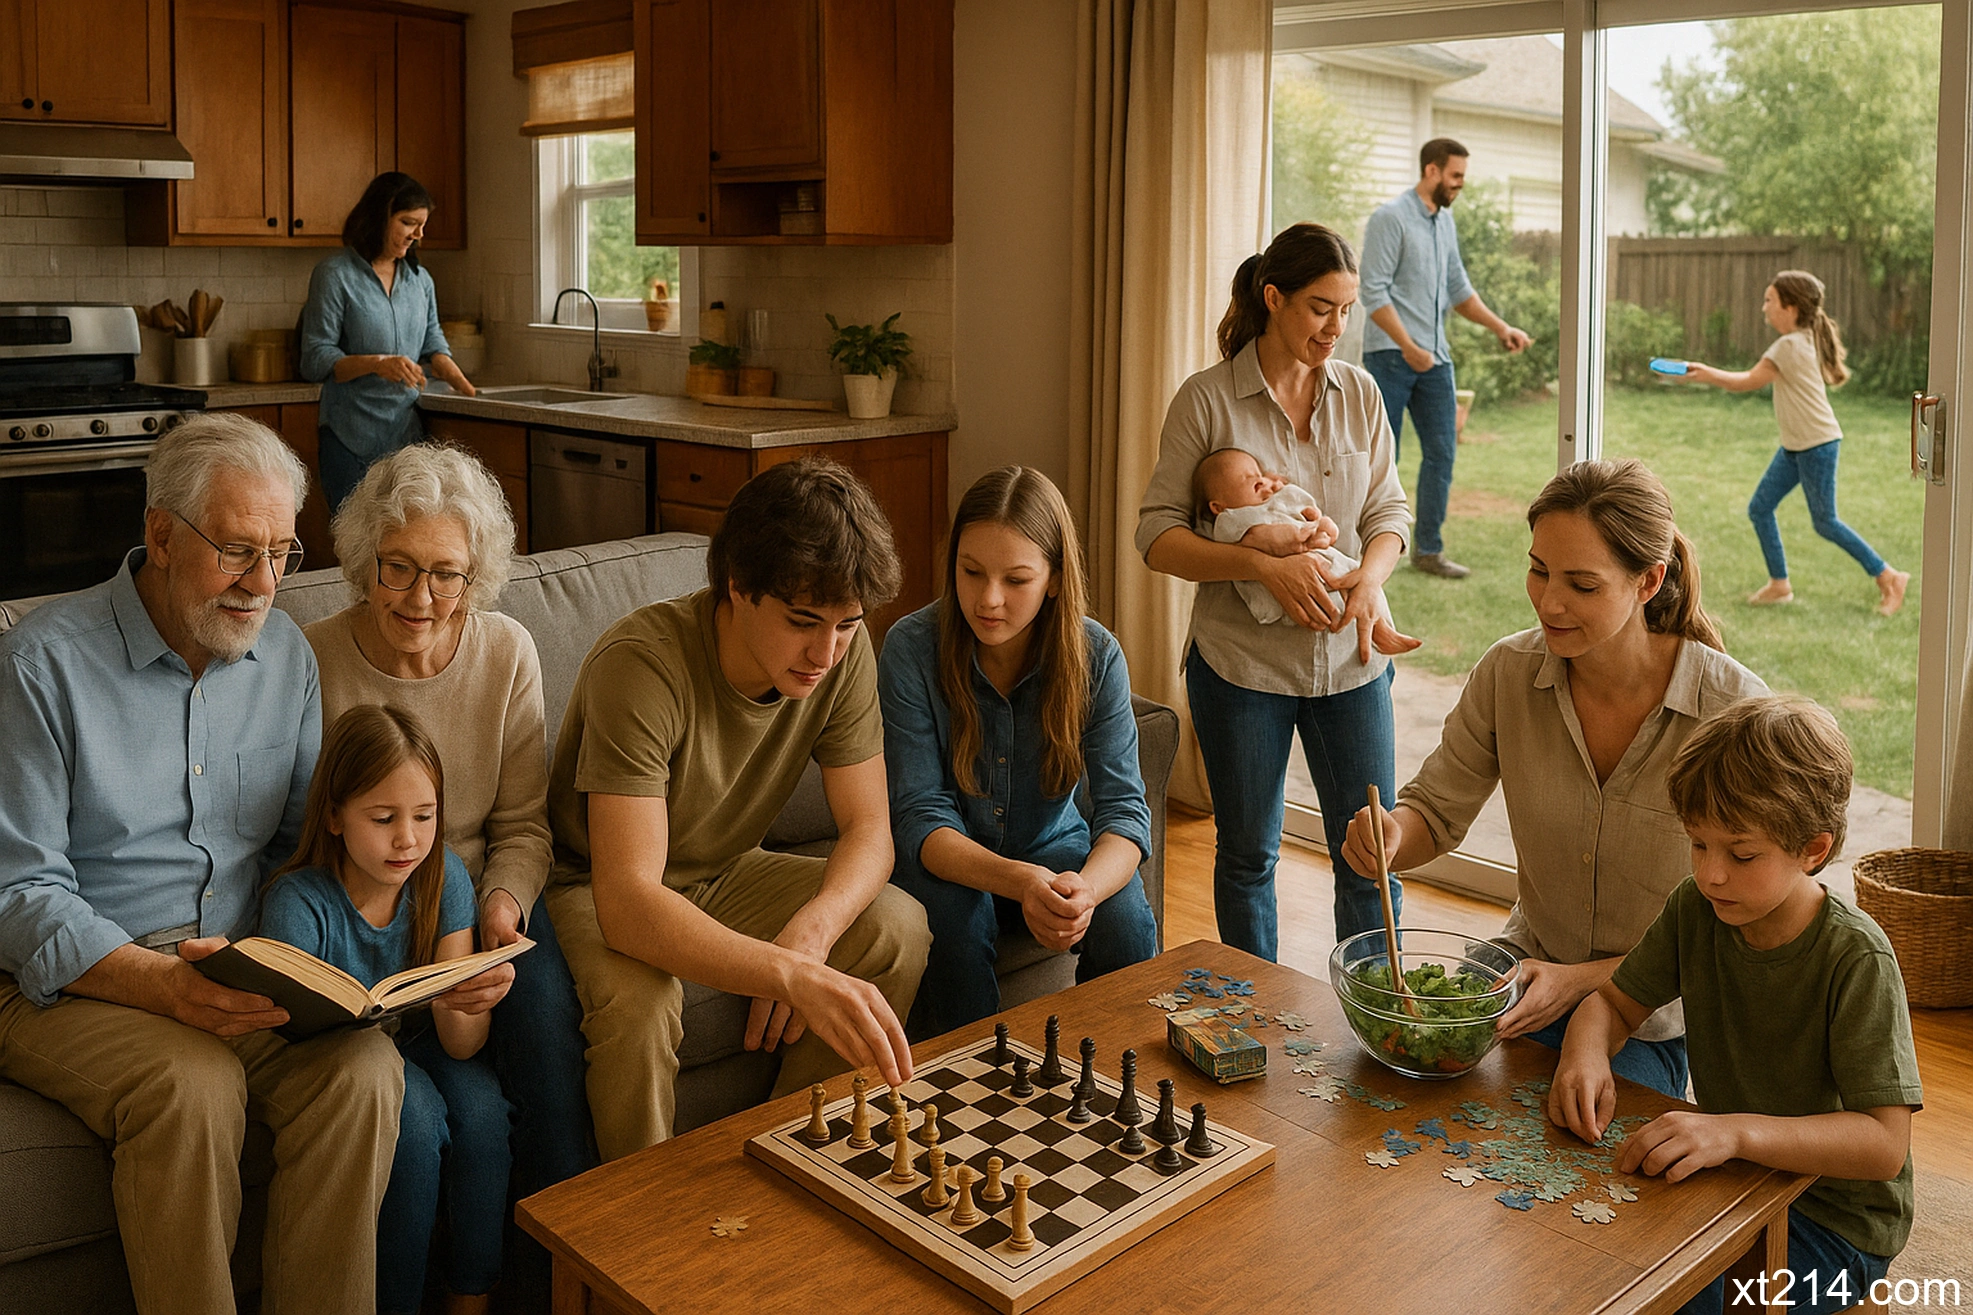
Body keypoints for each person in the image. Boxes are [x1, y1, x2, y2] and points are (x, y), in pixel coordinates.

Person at [0, 413, 402, 1315]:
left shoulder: (285, 657)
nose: (262, 583)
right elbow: (17, 893)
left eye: (281, 552)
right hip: (64, 980)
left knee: (363, 1069)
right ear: (160, 535)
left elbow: (305, 845)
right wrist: (158, 985)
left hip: (233, 962)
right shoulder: (39, 665)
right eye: (235, 550)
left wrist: (402, 922)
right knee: (193, 1081)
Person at [1341, 459, 1768, 1100]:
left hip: (1654, 1010)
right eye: (1539, 571)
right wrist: (1392, 837)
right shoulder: (1507, 673)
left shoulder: (1730, 712)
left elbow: (1748, 928)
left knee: (1583, 1144)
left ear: (1648, 581)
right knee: (1395, 1087)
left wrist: (1582, 983)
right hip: (1523, 970)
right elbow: (1434, 812)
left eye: (1583, 585)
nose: (1550, 601)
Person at [545, 457, 931, 1159]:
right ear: (736, 587)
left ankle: (797, 1155)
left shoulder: (842, 653)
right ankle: (639, 1232)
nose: (825, 651)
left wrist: (810, 936)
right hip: (595, 879)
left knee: (894, 926)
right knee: (641, 1008)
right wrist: (789, 974)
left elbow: (871, 831)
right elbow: (629, 898)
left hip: (725, 869)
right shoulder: (641, 664)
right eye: (803, 620)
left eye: (847, 624)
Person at [305, 443, 595, 1293]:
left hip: (482, 901)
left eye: (446, 574)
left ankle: (561, 1278)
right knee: (450, 1100)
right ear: (365, 563)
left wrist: (500, 914)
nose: (422, 598)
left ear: (475, 577)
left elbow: (523, 825)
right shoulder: (313, 659)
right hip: (370, 912)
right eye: (399, 568)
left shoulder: (506, 651)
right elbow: (303, 835)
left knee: (544, 1024)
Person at [1551, 697, 1921, 1315]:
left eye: (1740, 854)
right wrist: (1582, 1055)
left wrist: (1732, 1131)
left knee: (1688, 1300)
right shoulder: (1695, 910)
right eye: (1698, 845)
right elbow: (1611, 1004)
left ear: (1813, 849)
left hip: (1835, 1224)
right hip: (1734, 1177)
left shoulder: (1858, 958)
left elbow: (1884, 1144)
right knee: (1596, 1263)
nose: (1711, 874)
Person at [1137, 222, 1421, 961]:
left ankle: (1381, 1014)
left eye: (1346, 309)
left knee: (1368, 856)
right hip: (1241, 669)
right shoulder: (1205, 401)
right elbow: (1155, 536)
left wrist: (1371, 579)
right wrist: (1261, 566)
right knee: (1247, 858)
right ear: (1273, 298)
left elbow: (1389, 511)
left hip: (1352, 665)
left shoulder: (1359, 393)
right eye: (1320, 307)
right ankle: (1259, 1022)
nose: (1336, 326)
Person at [879, 466, 1160, 1039]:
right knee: (956, 924)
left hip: (1054, 846)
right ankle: (969, 1092)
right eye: (971, 572)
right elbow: (919, 817)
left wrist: (1084, 893)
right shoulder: (910, 648)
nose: (988, 599)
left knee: (1126, 920)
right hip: (948, 860)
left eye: (1016, 579)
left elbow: (1125, 814)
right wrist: (1020, 882)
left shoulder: (1096, 655)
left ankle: (1108, 1074)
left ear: (1054, 579)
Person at [262, 705, 513, 1315]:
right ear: (335, 816)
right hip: (344, 1063)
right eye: (383, 818)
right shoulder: (299, 901)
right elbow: (294, 1040)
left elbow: (462, 1046)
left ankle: (470, 1294)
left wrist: (465, 998)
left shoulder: (442, 876)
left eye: (424, 817)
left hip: (427, 1042)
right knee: (414, 1123)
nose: (408, 839)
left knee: (483, 1114)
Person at [1680, 270, 1909, 616]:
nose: (1764, 308)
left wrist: (1704, 373)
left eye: (1770, 300)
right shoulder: (1803, 339)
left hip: (1816, 445)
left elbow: (1748, 381)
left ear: (1790, 307)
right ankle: (1779, 585)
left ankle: (1889, 577)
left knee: (1825, 521)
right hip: (1797, 446)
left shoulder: (1788, 345)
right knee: (1760, 507)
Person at [1359, 137, 1532, 579]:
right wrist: (1408, 346)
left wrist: (1501, 327)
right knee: (1382, 458)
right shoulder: (1390, 219)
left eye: (1462, 178)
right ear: (1431, 171)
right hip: (1392, 358)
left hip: (1434, 359)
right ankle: (1367, 551)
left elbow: (1459, 291)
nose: (1460, 185)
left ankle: (1429, 551)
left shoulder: (1444, 225)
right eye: (1455, 176)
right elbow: (1372, 291)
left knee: (1442, 452)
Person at [300, 171, 477, 515]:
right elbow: (315, 358)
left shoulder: (420, 280)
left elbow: (432, 342)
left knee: (403, 542)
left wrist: (466, 387)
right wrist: (378, 364)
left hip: (407, 439)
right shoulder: (334, 274)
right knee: (356, 548)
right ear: (379, 217)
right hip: (349, 436)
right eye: (409, 222)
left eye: (423, 225)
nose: (419, 234)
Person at [1196, 447, 1415, 653]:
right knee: (1338, 587)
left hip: (1319, 563)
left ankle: (1382, 629)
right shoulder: (1230, 520)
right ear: (1218, 506)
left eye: (1258, 473)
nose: (1259, 480)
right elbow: (1266, 537)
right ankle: (1355, 623)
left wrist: (1316, 521)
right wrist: (1301, 536)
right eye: (1247, 480)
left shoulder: (1275, 504)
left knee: (1360, 580)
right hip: (1273, 596)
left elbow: (1308, 514)